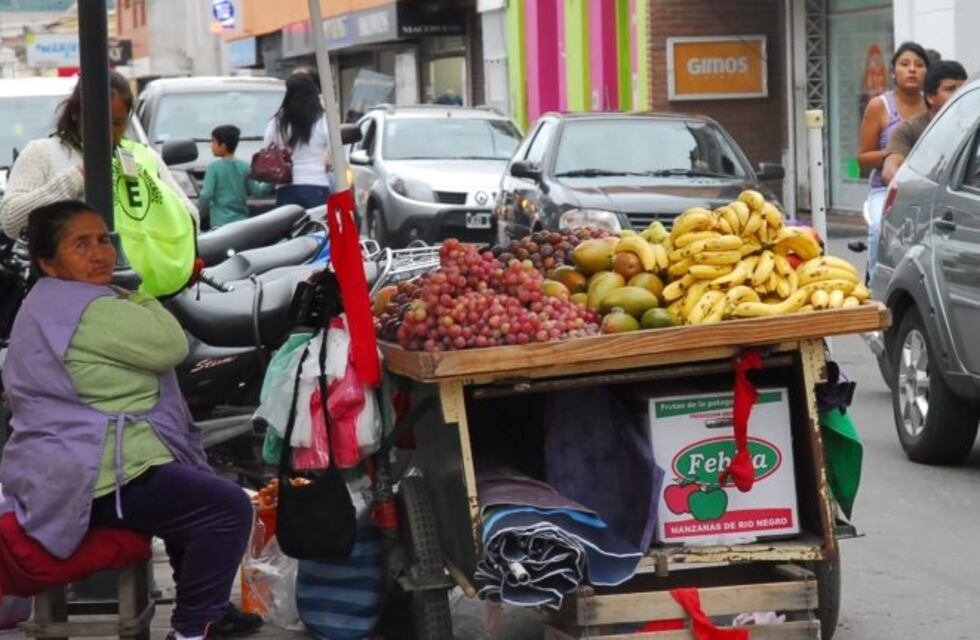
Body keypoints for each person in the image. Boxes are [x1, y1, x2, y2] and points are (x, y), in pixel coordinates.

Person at [0, 200, 259, 640]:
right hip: (91, 476)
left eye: (103, 239)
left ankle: (209, 606)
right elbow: (169, 344)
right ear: (48, 261)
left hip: (57, 468)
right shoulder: (92, 309)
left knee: (188, 486)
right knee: (228, 507)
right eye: (81, 244)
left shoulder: (45, 302)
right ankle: (195, 627)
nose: (100, 253)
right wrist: (139, 294)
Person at [0, 71, 199, 298]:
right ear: (76, 114)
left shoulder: (142, 156)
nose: (108, 132)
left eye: (117, 123)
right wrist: (74, 179)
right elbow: (11, 220)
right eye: (98, 122)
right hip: (67, 298)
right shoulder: (42, 153)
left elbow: (188, 213)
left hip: (141, 295)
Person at [858, 41, 930, 277]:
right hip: (886, 188)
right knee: (881, 227)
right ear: (893, 72)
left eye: (919, 65)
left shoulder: (934, 106)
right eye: (905, 64)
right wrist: (896, 154)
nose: (912, 69)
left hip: (926, 189)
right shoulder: (880, 106)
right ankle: (874, 290)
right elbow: (863, 158)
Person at [882, 60, 968, 184]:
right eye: (950, 89)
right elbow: (889, 171)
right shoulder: (909, 130)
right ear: (930, 97)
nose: (959, 94)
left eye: (963, 88)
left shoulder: (973, 126)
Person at [263, 72, 332, 209]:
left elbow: (266, 149)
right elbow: (333, 152)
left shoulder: (276, 122)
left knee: (289, 228)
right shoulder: (323, 120)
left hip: (286, 187)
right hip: (317, 184)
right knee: (317, 227)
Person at [199, 125, 272, 229]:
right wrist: (272, 181)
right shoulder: (245, 167)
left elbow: (206, 195)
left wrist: (199, 214)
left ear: (223, 146)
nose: (211, 145)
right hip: (241, 223)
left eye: (213, 142)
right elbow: (258, 192)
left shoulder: (213, 168)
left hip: (219, 224)